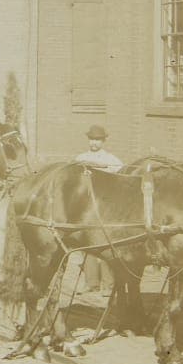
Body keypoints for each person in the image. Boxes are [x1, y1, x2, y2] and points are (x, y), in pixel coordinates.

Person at [74, 125, 123, 295]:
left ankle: (108, 285)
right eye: (92, 139)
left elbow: (119, 174)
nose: (94, 142)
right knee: (88, 244)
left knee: (106, 244)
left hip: (104, 206)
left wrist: (99, 166)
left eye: (97, 139)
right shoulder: (80, 158)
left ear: (103, 141)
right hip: (86, 207)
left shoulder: (112, 160)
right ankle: (90, 282)